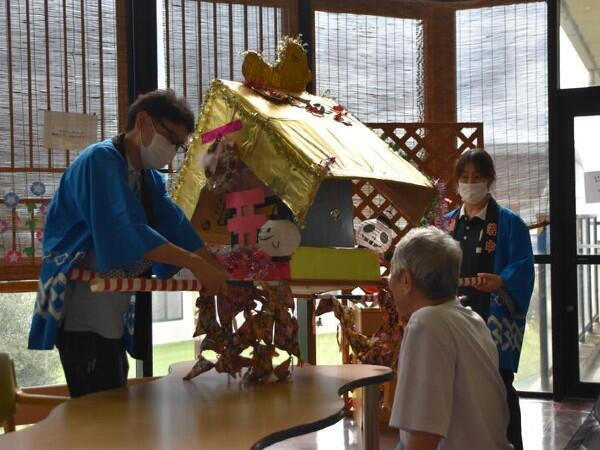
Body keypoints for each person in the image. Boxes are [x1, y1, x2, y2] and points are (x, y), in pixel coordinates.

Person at [28, 89, 229, 397]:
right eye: (170, 138)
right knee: (99, 414)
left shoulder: (146, 176)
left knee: (115, 395)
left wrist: (211, 262)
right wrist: (197, 264)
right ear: (143, 121)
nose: (172, 151)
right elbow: (128, 231)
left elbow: (171, 220)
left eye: (179, 145)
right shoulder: (100, 161)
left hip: (110, 310)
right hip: (81, 310)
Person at [388, 226, 511, 450]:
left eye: (391, 272)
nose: (388, 280)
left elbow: (423, 437)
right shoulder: (471, 318)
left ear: (406, 280)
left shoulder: (427, 323)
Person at [447, 148, 534, 450]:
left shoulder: (509, 223)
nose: (471, 184)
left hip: (493, 315)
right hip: (453, 317)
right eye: (465, 177)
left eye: (478, 178)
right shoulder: (446, 224)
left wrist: (501, 281)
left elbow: (523, 265)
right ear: (457, 182)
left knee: (498, 385)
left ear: (490, 180)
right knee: (454, 388)